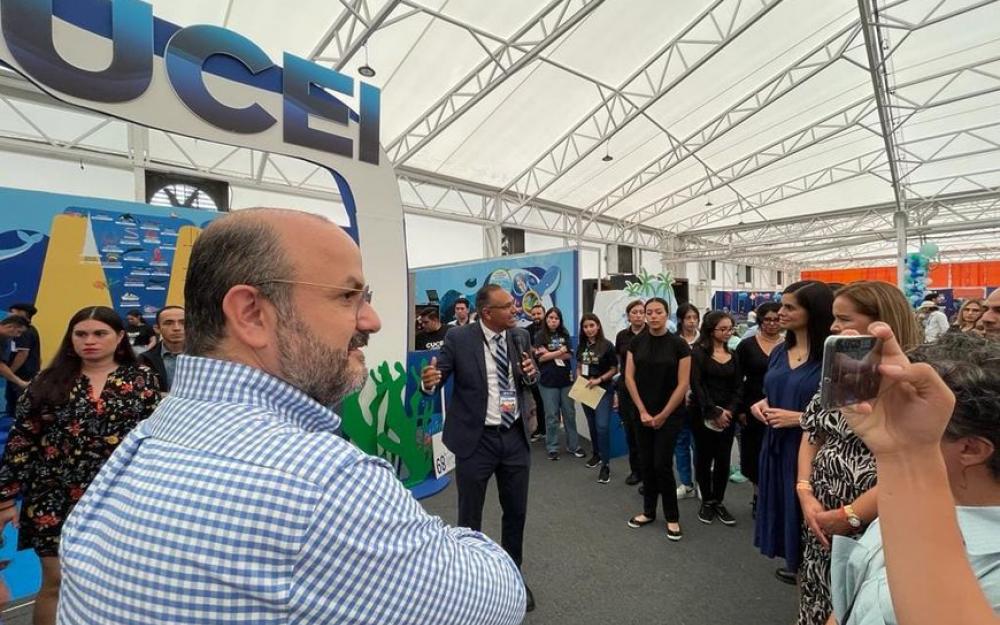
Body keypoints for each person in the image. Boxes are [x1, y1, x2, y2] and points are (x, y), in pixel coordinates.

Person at [57, 209, 527, 624]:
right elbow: (496, 601)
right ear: (251, 314)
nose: (371, 320)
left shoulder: (142, 444)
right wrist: (447, 542)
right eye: (348, 296)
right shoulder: (323, 480)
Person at [829, 327, 1000, 625]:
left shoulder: (992, 577)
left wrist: (908, 453)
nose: (891, 418)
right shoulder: (910, 503)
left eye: (911, 411)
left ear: (970, 449)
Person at [0, 305, 159, 625]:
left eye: (100, 333)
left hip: (120, 498)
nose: (90, 341)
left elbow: (153, 439)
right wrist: (6, 499)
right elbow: (22, 440)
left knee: (112, 584)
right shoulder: (46, 381)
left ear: (119, 337)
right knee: (56, 582)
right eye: (81, 334)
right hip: (52, 495)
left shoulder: (143, 380)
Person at [795, 281, 923, 625]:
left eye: (844, 319)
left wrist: (851, 514)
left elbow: (916, 464)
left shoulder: (913, 382)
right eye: (834, 318)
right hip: (820, 511)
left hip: (876, 519)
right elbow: (813, 432)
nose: (834, 327)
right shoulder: (843, 367)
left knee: (857, 598)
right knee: (818, 587)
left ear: (881, 322)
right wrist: (805, 490)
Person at [421, 283, 539, 613]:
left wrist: (532, 374)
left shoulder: (520, 336)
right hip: (476, 441)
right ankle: (471, 582)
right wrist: (428, 383)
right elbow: (437, 377)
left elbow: (529, 379)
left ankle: (513, 575)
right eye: (508, 306)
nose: (515, 309)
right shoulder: (459, 338)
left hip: (514, 437)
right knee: (470, 516)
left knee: (515, 511)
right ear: (487, 313)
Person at [752, 280, 834, 584]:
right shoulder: (779, 351)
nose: (780, 313)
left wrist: (800, 418)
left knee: (807, 517)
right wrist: (762, 404)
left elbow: (848, 416)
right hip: (775, 444)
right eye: (781, 305)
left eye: (790, 307)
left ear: (814, 311)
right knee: (784, 511)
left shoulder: (832, 357)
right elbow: (773, 390)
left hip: (811, 449)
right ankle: (797, 569)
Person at [625, 297, 691, 541]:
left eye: (658, 312)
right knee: (646, 462)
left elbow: (683, 384)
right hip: (641, 412)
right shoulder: (636, 342)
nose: (653, 316)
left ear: (667, 314)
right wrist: (642, 410)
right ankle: (648, 511)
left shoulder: (679, 345)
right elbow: (629, 377)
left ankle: (672, 517)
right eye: (649, 312)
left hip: (669, 414)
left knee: (662, 464)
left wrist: (663, 415)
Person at [690, 311, 742, 527]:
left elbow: (738, 386)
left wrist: (729, 411)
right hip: (703, 412)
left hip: (728, 415)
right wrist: (714, 411)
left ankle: (718, 500)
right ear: (711, 330)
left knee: (723, 459)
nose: (728, 333)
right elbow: (697, 385)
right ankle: (707, 500)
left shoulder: (734, 354)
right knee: (703, 458)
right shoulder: (698, 352)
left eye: (730, 329)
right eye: (723, 329)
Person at [736, 301, 782, 514]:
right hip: (752, 405)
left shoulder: (789, 344)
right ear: (760, 321)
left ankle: (776, 497)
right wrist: (741, 409)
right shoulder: (747, 345)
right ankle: (758, 496)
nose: (772, 324)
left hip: (781, 406)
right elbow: (737, 379)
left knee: (778, 453)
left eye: (776, 319)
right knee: (754, 453)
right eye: (767, 320)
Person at [533, 306, 583, 461]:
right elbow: (541, 358)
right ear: (546, 319)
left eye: (556, 318)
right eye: (550, 318)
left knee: (569, 414)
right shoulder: (540, 335)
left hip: (566, 380)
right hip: (547, 381)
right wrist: (560, 351)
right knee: (551, 415)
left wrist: (550, 353)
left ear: (560, 320)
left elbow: (569, 355)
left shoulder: (565, 334)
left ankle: (573, 446)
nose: (553, 321)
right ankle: (552, 447)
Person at [577, 313, 618, 484]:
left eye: (591, 326)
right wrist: (578, 376)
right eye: (585, 326)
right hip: (586, 388)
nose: (589, 329)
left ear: (598, 326)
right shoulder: (582, 345)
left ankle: (606, 465)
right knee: (592, 424)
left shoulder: (607, 345)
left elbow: (614, 369)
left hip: (603, 389)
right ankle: (596, 454)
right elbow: (579, 364)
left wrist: (599, 380)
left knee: (602, 427)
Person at [614, 300, 646, 486]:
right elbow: (620, 361)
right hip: (626, 388)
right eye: (634, 312)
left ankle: (649, 472)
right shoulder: (622, 336)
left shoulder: (651, 334)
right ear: (628, 316)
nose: (638, 315)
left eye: (641, 312)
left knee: (646, 432)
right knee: (630, 431)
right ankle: (635, 470)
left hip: (646, 389)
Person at [675, 302, 700, 499]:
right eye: (688, 318)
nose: (692, 322)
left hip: (699, 400)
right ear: (681, 320)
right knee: (680, 442)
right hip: (677, 399)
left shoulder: (705, 341)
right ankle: (686, 483)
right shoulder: (674, 341)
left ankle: (701, 482)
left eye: (695, 318)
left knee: (698, 443)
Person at [138, 306, 185, 393]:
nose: (177, 328)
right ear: (157, 329)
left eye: (183, 323)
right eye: (168, 323)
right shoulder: (144, 360)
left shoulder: (207, 357)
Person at [5, 303, 41, 416]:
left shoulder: (23, 331)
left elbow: (23, 353)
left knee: (20, 403)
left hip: (22, 374)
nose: (10, 315)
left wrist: (9, 372)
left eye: (13, 313)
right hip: (23, 373)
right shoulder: (30, 330)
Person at [527, 304, 547, 442]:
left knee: (549, 402)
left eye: (539, 313)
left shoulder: (550, 329)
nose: (536, 316)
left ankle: (549, 430)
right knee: (538, 401)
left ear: (544, 314)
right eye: (533, 314)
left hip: (549, 370)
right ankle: (540, 429)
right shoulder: (527, 331)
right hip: (534, 371)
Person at [0, 316, 29, 397]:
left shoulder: (4, 339)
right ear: (10, 326)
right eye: (18, 332)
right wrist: (20, 382)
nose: (18, 336)